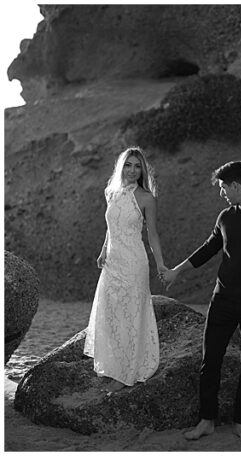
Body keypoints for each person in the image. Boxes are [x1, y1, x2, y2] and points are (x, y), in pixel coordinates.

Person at [161, 161, 241, 441]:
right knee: (210, 362)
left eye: (223, 188)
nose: (221, 194)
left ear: (235, 185)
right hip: (222, 301)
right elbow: (207, 249)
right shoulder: (225, 217)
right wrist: (176, 271)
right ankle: (206, 420)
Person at [84, 147, 164, 393]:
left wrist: (160, 264)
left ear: (143, 171)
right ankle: (113, 366)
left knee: (130, 313)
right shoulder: (112, 193)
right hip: (113, 262)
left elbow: (152, 234)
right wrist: (103, 249)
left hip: (133, 262)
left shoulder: (146, 198)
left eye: (137, 166)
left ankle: (127, 372)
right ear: (121, 166)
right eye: (128, 165)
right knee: (111, 313)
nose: (132, 170)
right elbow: (111, 226)